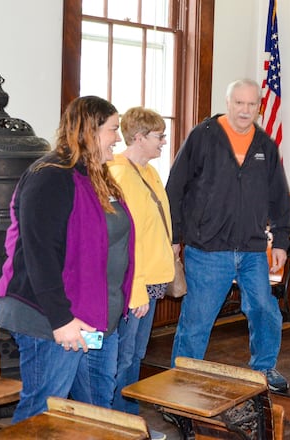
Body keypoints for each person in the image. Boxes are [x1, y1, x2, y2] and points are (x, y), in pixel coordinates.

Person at [0, 96, 134, 422]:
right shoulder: (50, 176)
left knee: (96, 414)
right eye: (113, 129)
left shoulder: (96, 175)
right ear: (89, 131)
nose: (118, 138)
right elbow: (40, 254)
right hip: (51, 319)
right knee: (42, 414)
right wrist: (61, 321)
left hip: (95, 318)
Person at [166, 78, 290, 392]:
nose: (245, 110)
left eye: (252, 104)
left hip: (252, 249)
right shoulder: (203, 136)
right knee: (197, 320)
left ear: (259, 108)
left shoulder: (265, 145)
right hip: (207, 249)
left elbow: (279, 197)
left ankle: (264, 369)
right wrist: (175, 236)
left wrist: (282, 240)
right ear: (228, 103)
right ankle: (181, 379)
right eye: (239, 103)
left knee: (264, 309)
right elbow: (175, 188)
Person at [108, 107, 175, 440]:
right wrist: (136, 290)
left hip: (152, 280)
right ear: (138, 138)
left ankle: (131, 424)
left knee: (135, 355)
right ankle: (123, 427)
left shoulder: (149, 172)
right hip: (135, 285)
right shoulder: (119, 175)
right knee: (123, 357)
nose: (164, 141)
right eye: (158, 136)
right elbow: (123, 241)